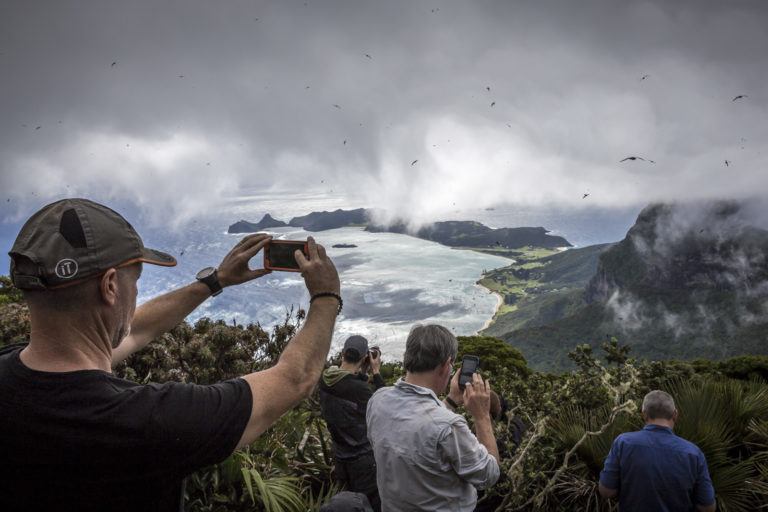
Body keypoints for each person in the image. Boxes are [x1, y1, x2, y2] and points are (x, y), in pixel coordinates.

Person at [0, 198, 341, 511]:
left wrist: (215, 281)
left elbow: (133, 330)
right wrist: (326, 295)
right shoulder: (148, 421)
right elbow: (295, 379)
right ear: (110, 286)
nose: (136, 294)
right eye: (136, 281)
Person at [366, 324, 500, 512]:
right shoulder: (449, 426)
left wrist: (452, 400)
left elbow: (417, 423)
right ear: (446, 365)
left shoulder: (377, 400)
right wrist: (482, 416)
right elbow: (489, 474)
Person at [599, 390, 716, 512]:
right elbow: (707, 508)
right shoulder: (694, 453)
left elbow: (606, 491)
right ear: (675, 415)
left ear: (644, 415)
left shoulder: (623, 443)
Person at [319, 335, 385, 511]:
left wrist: (363, 372)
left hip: (341, 459)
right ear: (365, 358)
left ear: (342, 353)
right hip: (363, 462)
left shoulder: (324, 380)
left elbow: (348, 386)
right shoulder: (361, 390)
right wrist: (376, 372)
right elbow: (386, 406)